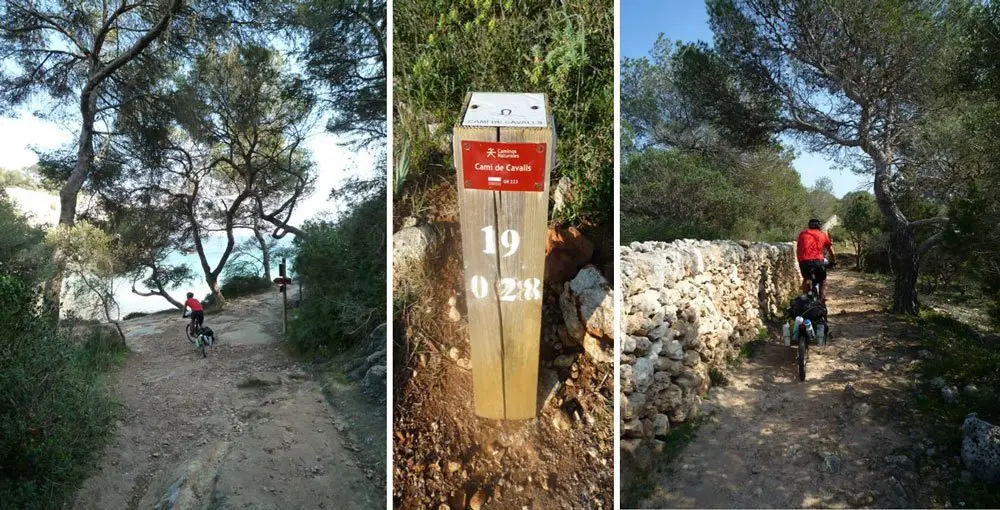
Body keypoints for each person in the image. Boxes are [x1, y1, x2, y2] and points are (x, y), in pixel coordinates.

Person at [796, 218, 836, 303]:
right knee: (822, 280)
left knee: (806, 278)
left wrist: (800, 260)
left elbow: (798, 248)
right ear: (819, 226)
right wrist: (833, 260)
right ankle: (821, 300)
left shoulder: (802, 234)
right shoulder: (823, 234)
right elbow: (830, 250)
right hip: (818, 262)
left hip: (804, 262)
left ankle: (805, 299)